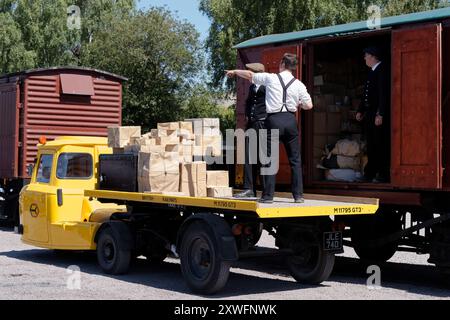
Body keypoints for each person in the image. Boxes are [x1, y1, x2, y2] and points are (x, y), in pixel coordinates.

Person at [226, 53, 313, 203]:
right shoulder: (299, 84)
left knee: (269, 160)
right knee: (295, 160)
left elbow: (249, 74)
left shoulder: (271, 78)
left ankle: (268, 196)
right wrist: (297, 104)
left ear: (282, 65)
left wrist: (234, 71)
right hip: (291, 120)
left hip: (274, 120)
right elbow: (308, 105)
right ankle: (298, 195)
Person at [356, 46, 390, 183]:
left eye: (366, 55)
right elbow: (367, 94)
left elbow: (383, 94)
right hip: (370, 114)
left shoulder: (382, 70)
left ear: (373, 56)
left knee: (380, 144)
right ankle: (370, 173)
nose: (364, 58)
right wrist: (360, 110)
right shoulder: (372, 71)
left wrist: (380, 114)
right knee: (371, 145)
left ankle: (382, 174)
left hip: (377, 114)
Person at [235, 63, 267, 198]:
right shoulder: (253, 87)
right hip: (252, 124)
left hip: (263, 123)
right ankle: (249, 189)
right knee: (249, 157)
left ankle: (266, 190)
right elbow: (248, 103)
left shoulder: (268, 86)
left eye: (249, 73)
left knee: (263, 158)